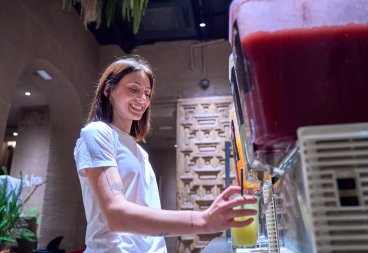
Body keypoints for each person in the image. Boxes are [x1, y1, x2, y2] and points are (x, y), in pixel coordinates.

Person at [73, 55, 257, 253]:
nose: (142, 99)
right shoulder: (98, 132)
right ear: (109, 90)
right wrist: (203, 220)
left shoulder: (139, 151)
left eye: (147, 93)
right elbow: (116, 215)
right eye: (133, 89)